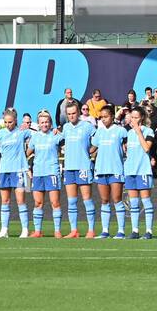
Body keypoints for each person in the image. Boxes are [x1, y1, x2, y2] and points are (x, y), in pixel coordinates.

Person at [60, 102, 98, 238]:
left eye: (73, 113)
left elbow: (98, 139)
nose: (71, 116)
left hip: (83, 166)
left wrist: (90, 151)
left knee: (87, 199)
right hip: (69, 167)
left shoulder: (87, 126)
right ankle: (74, 230)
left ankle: (91, 230)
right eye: (69, 114)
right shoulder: (65, 128)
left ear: (78, 113)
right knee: (71, 201)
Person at [0, 108, 32, 238]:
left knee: (20, 200)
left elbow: (37, 135)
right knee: (5, 200)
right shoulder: (0, 134)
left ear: (15, 121)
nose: (8, 124)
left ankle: (25, 230)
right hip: (4, 170)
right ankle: (4, 230)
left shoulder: (21, 132)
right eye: (6, 122)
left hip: (19, 170)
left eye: (10, 122)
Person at [26, 111, 64, 238]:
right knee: (38, 203)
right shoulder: (35, 137)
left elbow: (66, 142)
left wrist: (59, 132)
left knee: (55, 202)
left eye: (47, 122)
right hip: (38, 173)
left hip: (52, 172)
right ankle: (38, 231)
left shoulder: (56, 135)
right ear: (39, 124)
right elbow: (27, 153)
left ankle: (57, 231)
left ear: (50, 123)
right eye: (42, 122)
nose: (44, 124)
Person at [92, 105, 127, 238]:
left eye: (106, 117)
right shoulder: (99, 132)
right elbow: (92, 149)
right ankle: (105, 231)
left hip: (116, 169)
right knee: (104, 200)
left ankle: (121, 231)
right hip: (101, 169)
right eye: (101, 117)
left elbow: (127, 145)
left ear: (112, 116)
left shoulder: (120, 131)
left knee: (117, 199)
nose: (103, 119)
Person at [123, 107, 156, 239]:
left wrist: (138, 131)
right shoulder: (128, 133)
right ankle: (135, 231)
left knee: (146, 201)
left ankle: (149, 231)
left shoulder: (148, 131)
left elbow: (146, 147)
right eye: (132, 117)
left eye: (136, 117)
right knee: (134, 203)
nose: (134, 120)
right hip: (130, 171)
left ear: (141, 117)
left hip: (143, 170)